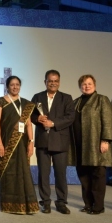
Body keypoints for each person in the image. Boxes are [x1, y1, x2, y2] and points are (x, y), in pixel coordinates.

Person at [31, 70, 75, 214]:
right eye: (50, 81)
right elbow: (30, 115)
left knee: (60, 173)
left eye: (56, 81)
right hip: (43, 140)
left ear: (59, 82)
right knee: (43, 173)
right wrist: (38, 119)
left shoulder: (66, 98)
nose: (53, 83)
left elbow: (70, 117)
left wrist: (53, 123)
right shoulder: (37, 97)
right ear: (45, 82)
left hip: (60, 140)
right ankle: (45, 202)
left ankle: (61, 202)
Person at [68, 75, 112, 215]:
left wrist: (105, 140)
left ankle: (98, 206)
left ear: (94, 84)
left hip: (96, 145)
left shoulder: (102, 100)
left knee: (97, 175)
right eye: (83, 84)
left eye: (89, 83)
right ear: (79, 86)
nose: (86, 86)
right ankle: (88, 204)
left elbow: (108, 121)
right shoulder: (75, 102)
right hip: (79, 145)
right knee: (84, 176)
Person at [0, 76, 39, 214]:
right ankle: (9, 205)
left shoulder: (26, 104)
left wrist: (31, 143)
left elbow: (29, 125)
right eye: (12, 85)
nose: (15, 87)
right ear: (7, 86)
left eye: (17, 84)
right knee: (8, 173)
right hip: (6, 142)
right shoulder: (1, 101)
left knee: (23, 171)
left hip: (23, 143)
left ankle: (26, 205)